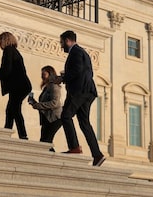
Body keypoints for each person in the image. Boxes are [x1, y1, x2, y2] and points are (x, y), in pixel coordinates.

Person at [56, 30, 105, 166]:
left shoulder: (75, 52)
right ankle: (97, 155)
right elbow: (84, 71)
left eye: (62, 42)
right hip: (88, 91)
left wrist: (63, 77)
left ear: (67, 40)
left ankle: (74, 147)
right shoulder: (82, 52)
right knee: (84, 123)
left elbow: (77, 70)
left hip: (79, 91)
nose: (61, 46)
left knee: (66, 116)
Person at [0, 31, 32, 139]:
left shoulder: (8, 51)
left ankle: (21, 135)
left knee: (14, 109)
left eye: (0, 41)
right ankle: (8, 132)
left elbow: (7, 69)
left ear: (4, 40)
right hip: (21, 85)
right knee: (11, 109)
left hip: (18, 86)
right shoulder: (14, 51)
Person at [29, 65, 63, 147]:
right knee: (44, 142)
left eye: (44, 75)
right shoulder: (47, 87)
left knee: (46, 142)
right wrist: (34, 103)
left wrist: (38, 105)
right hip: (47, 119)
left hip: (54, 119)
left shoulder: (53, 87)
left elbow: (55, 103)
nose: (42, 77)